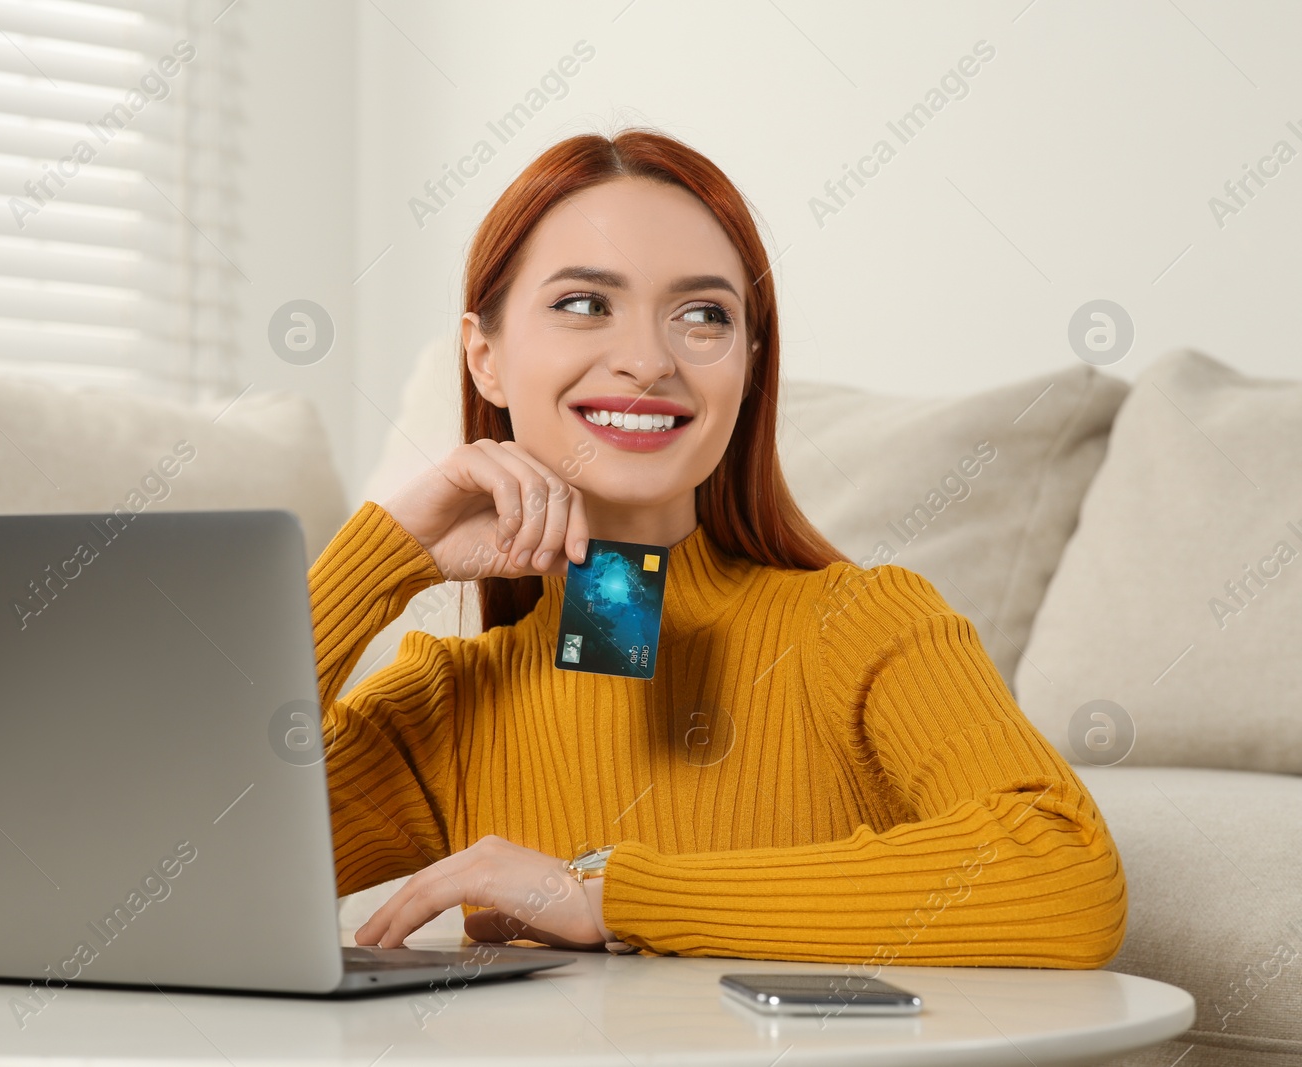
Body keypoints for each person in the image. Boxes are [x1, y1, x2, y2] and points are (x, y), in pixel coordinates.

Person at [309, 129, 1127, 966]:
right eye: (586, 303)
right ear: (484, 358)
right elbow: (172, 872)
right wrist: (384, 552)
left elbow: (1065, 873)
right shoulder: (451, 705)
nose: (646, 361)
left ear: (748, 365)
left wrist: (605, 897)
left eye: (703, 316)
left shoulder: (863, 623)